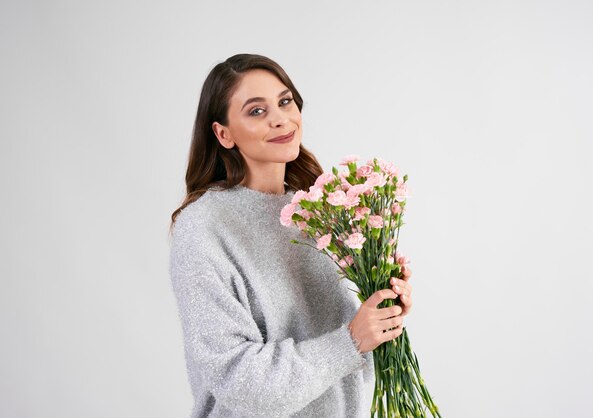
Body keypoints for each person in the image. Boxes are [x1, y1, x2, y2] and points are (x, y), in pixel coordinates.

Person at [168, 53, 414, 418]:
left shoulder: (319, 214)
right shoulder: (203, 228)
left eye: (285, 101)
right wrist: (351, 341)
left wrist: (381, 314)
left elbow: (346, 365)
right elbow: (240, 381)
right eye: (256, 111)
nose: (280, 118)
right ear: (224, 134)